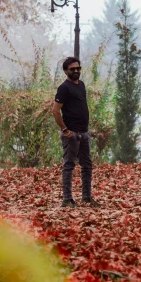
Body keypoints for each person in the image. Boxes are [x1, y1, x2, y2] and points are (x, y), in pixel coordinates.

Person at [53, 57, 99, 208]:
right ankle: (67, 199)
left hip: (84, 133)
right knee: (69, 165)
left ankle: (86, 197)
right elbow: (56, 111)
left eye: (78, 68)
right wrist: (65, 130)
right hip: (71, 134)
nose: (76, 71)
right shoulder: (64, 88)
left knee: (87, 165)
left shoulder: (81, 85)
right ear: (66, 71)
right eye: (72, 69)